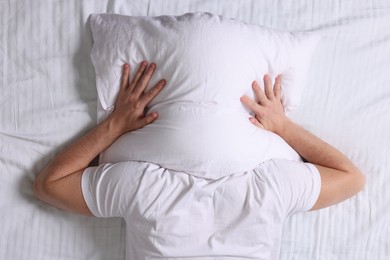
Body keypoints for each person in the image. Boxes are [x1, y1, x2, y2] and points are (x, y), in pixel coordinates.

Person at [33, 61, 365, 258]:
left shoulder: (146, 188)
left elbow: (50, 185)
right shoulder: (270, 188)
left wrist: (114, 125)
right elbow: (350, 177)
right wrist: (284, 127)